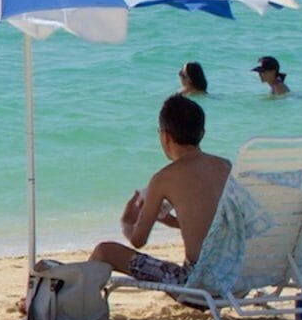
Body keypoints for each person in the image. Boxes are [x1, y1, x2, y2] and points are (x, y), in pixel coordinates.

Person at [86, 94, 231, 283]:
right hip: (233, 275)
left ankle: (76, 304)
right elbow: (207, 222)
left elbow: (138, 240)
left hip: (199, 281)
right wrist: (169, 220)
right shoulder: (225, 166)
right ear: (202, 133)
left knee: (105, 251)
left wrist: (128, 222)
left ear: (165, 136)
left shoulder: (163, 178)